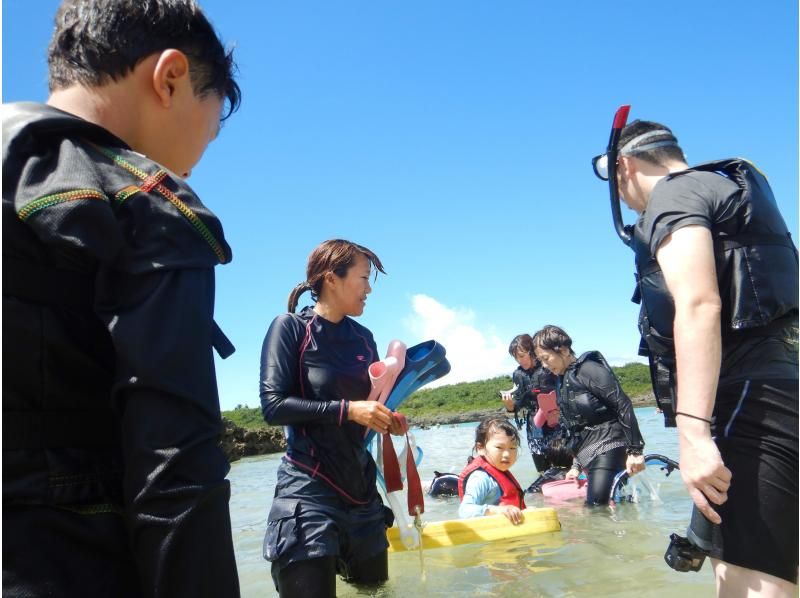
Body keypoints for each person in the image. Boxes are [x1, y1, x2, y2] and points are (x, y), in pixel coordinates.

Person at [2, 1, 242, 596]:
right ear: (170, 77)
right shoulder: (143, 204)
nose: (198, 156)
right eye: (209, 129)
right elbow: (176, 470)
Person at [594, 118, 798, 593]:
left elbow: (699, 304)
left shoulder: (674, 195)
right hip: (781, 393)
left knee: (749, 581)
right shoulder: (731, 191)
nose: (623, 198)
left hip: (745, 406)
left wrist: (693, 434)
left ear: (623, 165)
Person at [260, 239, 405, 597]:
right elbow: (273, 405)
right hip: (307, 493)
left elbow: (368, 405)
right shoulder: (291, 328)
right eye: (363, 278)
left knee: (377, 594)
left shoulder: (363, 338)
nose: (369, 288)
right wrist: (349, 410)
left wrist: (387, 418)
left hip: (361, 495)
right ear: (332, 279)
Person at [532, 325, 646, 506]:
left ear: (563, 349)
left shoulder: (588, 369)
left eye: (546, 358)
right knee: (599, 507)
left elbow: (623, 404)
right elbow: (576, 427)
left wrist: (635, 451)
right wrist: (576, 467)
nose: (545, 366)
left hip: (609, 445)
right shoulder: (563, 380)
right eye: (540, 361)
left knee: (595, 509)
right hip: (589, 454)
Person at [500, 334, 572, 478]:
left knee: (564, 465)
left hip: (557, 421)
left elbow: (566, 388)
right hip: (535, 426)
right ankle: (545, 495)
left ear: (531, 351)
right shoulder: (518, 375)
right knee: (543, 471)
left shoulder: (548, 366)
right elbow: (518, 404)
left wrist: (561, 409)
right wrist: (509, 406)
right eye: (515, 357)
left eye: (522, 355)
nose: (519, 360)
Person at [457, 417, 526, 523]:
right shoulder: (480, 478)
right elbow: (464, 511)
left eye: (512, 448)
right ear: (480, 448)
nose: (507, 454)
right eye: (499, 448)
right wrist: (498, 510)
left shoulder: (501, 472)